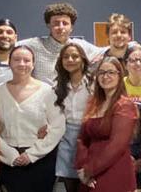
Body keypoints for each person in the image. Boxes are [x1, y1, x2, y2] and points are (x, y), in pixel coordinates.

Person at [0, 46, 65, 191]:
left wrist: (32, 154)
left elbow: (58, 127)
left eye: (27, 60)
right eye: (16, 59)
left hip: (40, 160)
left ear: (33, 64)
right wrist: (9, 154)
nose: (22, 64)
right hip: (8, 161)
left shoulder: (47, 91)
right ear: (9, 62)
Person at [75, 57, 139, 191]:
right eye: (102, 72)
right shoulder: (93, 103)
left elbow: (117, 145)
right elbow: (82, 138)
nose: (106, 76)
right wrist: (82, 167)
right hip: (88, 173)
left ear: (119, 75)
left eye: (111, 72)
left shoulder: (125, 105)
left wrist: (90, 170)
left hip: (113, 170)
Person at [20, 2, 104, 85]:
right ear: (49, 25)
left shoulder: (80, 46)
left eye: (65, 23)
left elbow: (108, 52)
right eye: (56, 23)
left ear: (71, 27)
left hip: (72, 97)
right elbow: (10, 48)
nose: (61, 27)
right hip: (43, 96)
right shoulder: (34, 45)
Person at [54, 43, 93, 192]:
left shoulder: (93, 83)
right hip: (66, 139)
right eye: (66, 57)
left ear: (83, 59)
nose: (70, 59)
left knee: (88, 184)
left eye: (75, 56)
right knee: (70, 184)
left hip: (88, 136)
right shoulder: (58, 86)